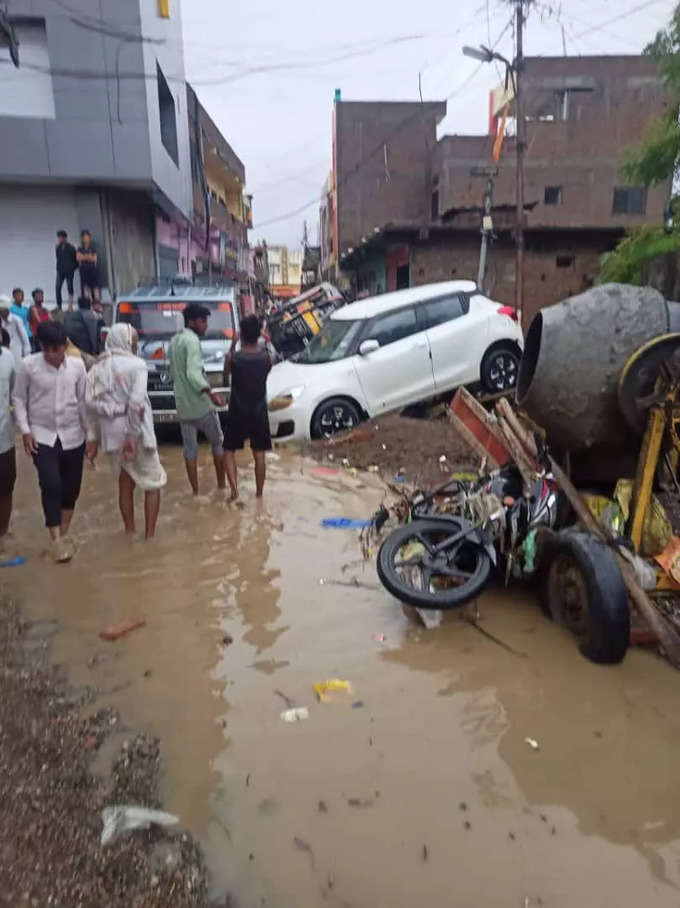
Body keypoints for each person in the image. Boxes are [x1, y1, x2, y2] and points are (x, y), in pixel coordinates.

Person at [13, 321, 96, 562]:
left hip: (73, 435)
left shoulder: (77, 367)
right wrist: (26, 431)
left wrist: (91, 436)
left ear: (64, 347)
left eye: (56, 350)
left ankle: (63, 534)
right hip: (42, 434)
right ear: (41, 347)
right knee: (51, 484)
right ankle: (56, 540)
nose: (51, 355)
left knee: (71, 489)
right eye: (46, 350)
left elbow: (83, 402)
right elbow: (18, 399)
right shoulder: (28, 367)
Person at [86, 324, 166, 539]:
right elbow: (136, 403)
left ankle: (130, 532)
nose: (136, 346)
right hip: (137, 433)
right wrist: (131, 436)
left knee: (124, 484)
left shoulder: (96, 368)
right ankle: (150, 537)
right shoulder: (137, 365)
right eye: (134, 342)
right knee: (153, 483)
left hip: (111, 436)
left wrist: (92, 439)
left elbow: (89, 407)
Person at [169, 303, 226, 495]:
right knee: (218, 442)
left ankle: (195, 493)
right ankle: (221, 486)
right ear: (191, 322)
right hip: (201, 405)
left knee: (190, 450)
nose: (206, 326)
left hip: (183, 406)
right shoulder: (192, 341)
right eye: (203, 321)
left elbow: (175, 373)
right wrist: (211, 392)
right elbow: (193, 374)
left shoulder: (174, 341)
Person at [223, 314, 272, 500]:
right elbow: (269, 365)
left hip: (237, 410)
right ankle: (259, 495)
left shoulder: (234, 358)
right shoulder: (266, 358)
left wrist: (232, 344)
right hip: (259, 411)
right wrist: (267, 342)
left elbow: (225, 377)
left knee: (229, 451)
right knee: (259, 453)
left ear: (241, 334)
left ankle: (234, 491)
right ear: (258, 334)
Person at [0, 328, 16, 550]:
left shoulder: (8, 358)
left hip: (4, 437)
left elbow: (15, 395)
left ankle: (2, 533)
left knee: (6, 486)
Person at [65, 296, 103, 363]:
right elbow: (93, 333)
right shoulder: (89, 314)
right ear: (89, 305)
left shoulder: (70, 314)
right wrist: (95, 350)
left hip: (69, 346)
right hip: (83, 347)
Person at [0, 296, 30, 367]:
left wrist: (27, 355)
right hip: (4, 352)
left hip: (16, 352)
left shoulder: (16, 320)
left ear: (7, 309)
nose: (1, 312)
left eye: (2, 310)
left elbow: (25, 339)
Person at [55, 230, 77, 311]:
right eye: (58, 238)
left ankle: (70, 306)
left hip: (69, 271)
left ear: (64, 238)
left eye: (60, 237)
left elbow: (76, 260)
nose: (59, 239)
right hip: (60, 271)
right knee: (57, 288)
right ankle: (59, 306)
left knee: (70, 287)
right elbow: (58, 258)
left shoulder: (71, 248)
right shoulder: (58, 247)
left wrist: (72, 268)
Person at [76, 230, 100, 301]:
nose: (85, 238)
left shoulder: (93, 248)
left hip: (92, 269)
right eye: (84, 237)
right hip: (83, 270)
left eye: (87, 237)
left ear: (89, 238)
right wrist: (88, 256)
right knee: (85, 287)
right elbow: (78, 258)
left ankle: (96, 302)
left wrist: (84, 257)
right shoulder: (80, 249)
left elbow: (94, 259)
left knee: (95, 287)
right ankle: (87, 303)